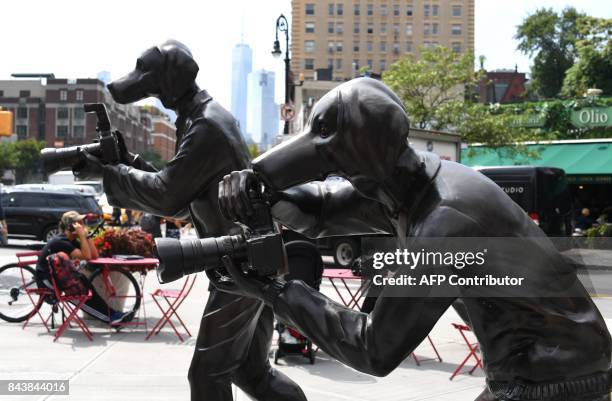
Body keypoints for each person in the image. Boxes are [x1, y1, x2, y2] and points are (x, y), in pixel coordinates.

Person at [217, 78, 611, 401]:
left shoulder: (444, 224)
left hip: (554, 380)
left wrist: (278, 291)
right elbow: (322, 211)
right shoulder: (409, 184)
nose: (346, 184)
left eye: (342, 172)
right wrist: (262, 186)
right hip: (537, 371)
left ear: (366, 172)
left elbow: (374, 348)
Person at [73, 40, 305, 401]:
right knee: (250, 371)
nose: (139, 83)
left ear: (170, 81)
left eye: (148, 75)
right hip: (253, 260)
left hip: (242, 265)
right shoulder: (203, 119)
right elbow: (184, 201)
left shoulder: (206, 127)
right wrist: (129, 163)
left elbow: (167, 194)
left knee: (207, 374)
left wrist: (111, 173)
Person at [36, 211, 132, 325]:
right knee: (82, 296)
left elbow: (94, 255)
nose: (82, 225)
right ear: (71, 226)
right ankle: (110, 318)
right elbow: (86, 256)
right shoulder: (61, 242)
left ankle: (113, 315)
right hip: (49, 281)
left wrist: (86, 236)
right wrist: (82, 235)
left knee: (88, 287)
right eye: (79, 223)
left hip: (62, 277)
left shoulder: (71, 240)